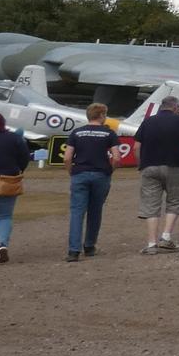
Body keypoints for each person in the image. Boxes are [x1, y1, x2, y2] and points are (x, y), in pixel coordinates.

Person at [133, 95, 179, 254]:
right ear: (175, 108)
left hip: (149, 167)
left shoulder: (147, 121)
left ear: (162, 107)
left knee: (151, 205)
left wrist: (141, 164)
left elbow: (136, 147)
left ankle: (151, 244)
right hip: (176, 165)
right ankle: (166, 237)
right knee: (175, 201)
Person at [66, 103, 118, 261]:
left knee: (77, 212)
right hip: (100, 174)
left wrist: (71, 171)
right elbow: (116, 157)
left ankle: (73, 250)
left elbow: (67, 157)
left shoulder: (77, 133)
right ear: (101, 115)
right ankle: (89, 245)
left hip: (80, 173)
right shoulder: (109, 133)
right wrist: (110, 170)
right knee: (95, 211)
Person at [0, 115, 31, 264]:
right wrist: (18, 170)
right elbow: (24, 158)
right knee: (4, 216)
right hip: (8, 179)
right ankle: (2, 244)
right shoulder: (14, 138)